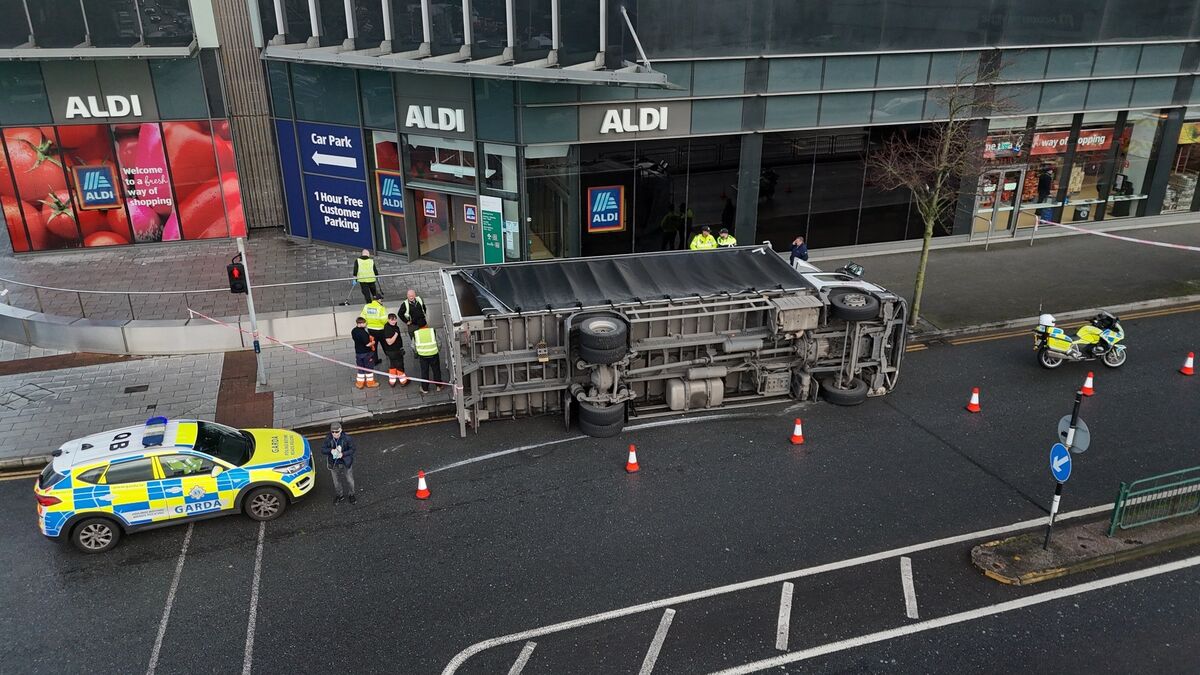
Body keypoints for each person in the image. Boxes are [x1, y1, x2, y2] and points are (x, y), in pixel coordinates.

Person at [321, 422, 357, 504]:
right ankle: (340, 496)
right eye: (332, 432)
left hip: (345, 463)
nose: (334, 434)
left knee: (350, 480)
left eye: (336, 431)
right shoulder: (328, 438)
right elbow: (323, 450)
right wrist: (331, 450)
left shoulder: (347, 438)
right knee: (336, 482)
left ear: (341, 430)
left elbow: (353, 449)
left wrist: (343, 454)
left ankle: (351, 495)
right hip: (334, 464)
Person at [413, 322, 444, 395]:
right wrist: (437, 350)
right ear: (426, 325)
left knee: (424, 372)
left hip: (423, 356)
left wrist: (417, 353)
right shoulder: (432, 331)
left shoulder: (416, 333)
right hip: (434, 354)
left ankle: (425, 388)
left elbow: (413, 346)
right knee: (436, 370)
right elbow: (439, 342)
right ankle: (439, 386)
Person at [381, 313, 409, 387]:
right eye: (392, 320)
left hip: (393, 350)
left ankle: (392, 381)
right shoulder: (388, 328)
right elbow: (389, 342)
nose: (394, 321)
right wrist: (396, 334)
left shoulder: (390, 326)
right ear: (388, 320)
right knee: (399, 365)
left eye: (395, 319)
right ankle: (403, 381)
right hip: (394, 351)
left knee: (393, 365)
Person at [351, 317, 379, 389]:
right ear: (361, 324)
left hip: (358, 353)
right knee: (369, 368)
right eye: (365, 323)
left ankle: (360, 383)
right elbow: (367, 344)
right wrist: (373, 342)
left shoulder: (353, 331)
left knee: (360, 368)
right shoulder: (363, 333)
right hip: (367, 353)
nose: (366, 324)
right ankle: (370, 383)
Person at [360, 295, 388, 363]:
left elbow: (362, 318)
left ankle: (375, 360)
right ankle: (388, 355)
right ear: (378, 300)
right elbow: (384, 320)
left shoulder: (367, 306)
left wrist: (367, 324)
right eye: (381, 300)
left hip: (371, 329)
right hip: (380, 329)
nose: (381, 301)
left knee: (373, 345)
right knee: (384, 344)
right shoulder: (381, 308)